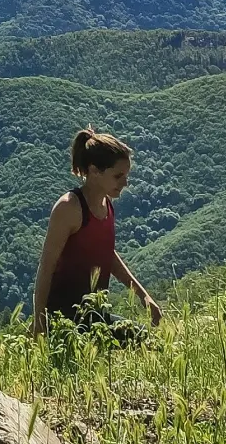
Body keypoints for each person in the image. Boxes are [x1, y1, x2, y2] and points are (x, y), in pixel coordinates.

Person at [30, 127, 163, 335]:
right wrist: (39, 321)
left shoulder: (106, 205)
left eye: (126, 175)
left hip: (96, 314)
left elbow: (106, 255)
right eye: (118, 176)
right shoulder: (69, 208)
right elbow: (46, 267)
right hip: (63, 320)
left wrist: (144, 296)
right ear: (94, 171)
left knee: (148, 343)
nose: (125, 183)